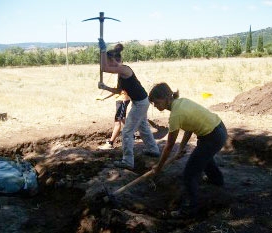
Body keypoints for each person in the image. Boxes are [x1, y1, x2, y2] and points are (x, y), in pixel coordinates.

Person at [149, 82, 227, 218]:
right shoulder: (181, 102)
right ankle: (217, 180)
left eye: (156, 102)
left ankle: (190, 210)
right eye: (153, 104)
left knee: (189, 175)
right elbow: (189, 127)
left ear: (166, 98)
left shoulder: (175, 116)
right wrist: (181, 148)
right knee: (204, 158)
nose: (155, 106)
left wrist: (159, 166)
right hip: (218, 129)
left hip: (212, 136)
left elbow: (168, 146)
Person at [97, 39, 160, 169]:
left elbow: (104, 68)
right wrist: (105, 87)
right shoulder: (121, 74)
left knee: (127, 131)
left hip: (141, 103)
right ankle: (153, 150)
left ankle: (127, 161)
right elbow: (119, 91)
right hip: (141, 101)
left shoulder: (125, 69)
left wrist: (103, 51)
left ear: (114, 60)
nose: (109, 65)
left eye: (109, 61)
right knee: (143, 127)